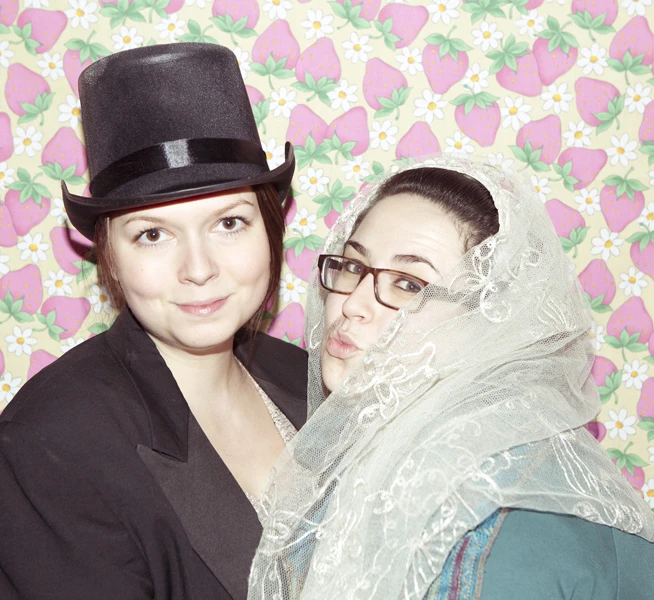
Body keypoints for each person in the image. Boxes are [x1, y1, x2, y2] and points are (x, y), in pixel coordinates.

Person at [248, 157, 654, 599]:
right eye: (352, 266)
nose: (352, 304)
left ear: (487, 321)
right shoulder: (381, 461)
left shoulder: (488, 525)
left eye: (409, 285)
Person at [0, 43, 307, 600]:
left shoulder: (311, 379)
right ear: (109, 256)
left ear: (269, 229)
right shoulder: (49, 444)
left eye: (229, 223)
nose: (199, 269)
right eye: (152, 234)